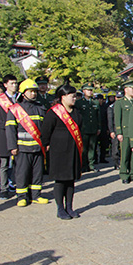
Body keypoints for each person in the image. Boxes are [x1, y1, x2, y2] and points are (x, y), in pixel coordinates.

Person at [41, 84, 83, 219]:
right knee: (60, 181)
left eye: (75, 96)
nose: (74, 98)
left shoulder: (76, 111)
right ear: (63, 97)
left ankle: (69, 207)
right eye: (72, 96)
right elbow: (46, 132)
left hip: (73, 150)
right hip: (58, 151)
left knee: (71, 180)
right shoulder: (53, 112)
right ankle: (60, 208)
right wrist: (46, 145)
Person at [5, 79, 48, 207]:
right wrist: (12, 146)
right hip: (22, 148)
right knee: (22, 174)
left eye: (35, 91)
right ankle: (22, 197)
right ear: (23, 93)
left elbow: (45, 128)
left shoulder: (40, 107)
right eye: (31, 91)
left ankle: (36, 195)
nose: (34, 94)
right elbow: (10, 129)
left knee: (37, 173)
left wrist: (46, 143)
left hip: (38, 147)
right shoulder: (15, 109)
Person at [0, 74, 18, 199]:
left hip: (18, 133)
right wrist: (4, 125)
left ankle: (18, 185)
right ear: (5, 85)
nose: (14, 85)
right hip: (4, 134)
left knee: (19, 162)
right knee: (4, 163)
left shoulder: (20, 98)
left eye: (15, 83)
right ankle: (4, 188)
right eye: (12, 83)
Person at [114, 81, 133, 183]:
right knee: (125, 153)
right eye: (132, 89)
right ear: (126, 89)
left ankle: (132, 173)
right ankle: (124, 173)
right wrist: (119, 132)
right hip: (125, 131)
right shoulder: (120, 102)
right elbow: (117, 118)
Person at [75, 83, 101, 172]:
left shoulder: (95, 102)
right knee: (84, 148)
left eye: (91, 90)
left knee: (92, 148)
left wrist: (99, 127)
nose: (90, 92)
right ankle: (83, 165)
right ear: (83, 91)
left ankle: (91, 165)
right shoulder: (79, 103)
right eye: (88, 90)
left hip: (93, 128)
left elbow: (98, 116)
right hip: (83, 129)